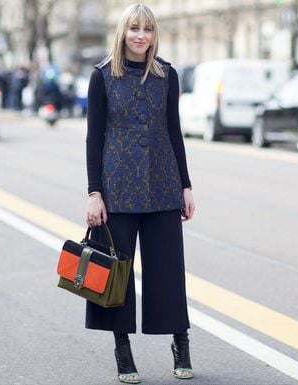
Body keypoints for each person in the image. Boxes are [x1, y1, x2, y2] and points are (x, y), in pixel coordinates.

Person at [84, 4, 195, 384]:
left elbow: (174, 132)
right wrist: (94, 193)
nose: (140, 35)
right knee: (117, 275)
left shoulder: (168, 75)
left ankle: (180, 343)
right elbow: (93, 139)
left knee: (168, 271)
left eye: (147, 29)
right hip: (117, 190)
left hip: (163, 185)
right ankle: (123, 351)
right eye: (134, 28)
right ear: (123, 32)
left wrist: (186, 184)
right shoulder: (102, 76)